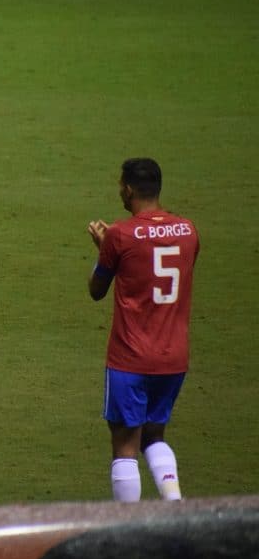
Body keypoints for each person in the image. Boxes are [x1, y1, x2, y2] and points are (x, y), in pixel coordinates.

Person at [87, 157, 199, 502]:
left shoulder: (120, 234)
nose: (120, 191)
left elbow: (96, 289)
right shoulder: (188, 231)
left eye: (121, 186)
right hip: (173, 358)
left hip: (130, 358)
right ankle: (174, 504)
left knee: (124, 443)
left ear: (130, 189)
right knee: (155, 434)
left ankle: (128, 527)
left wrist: (104, 249)